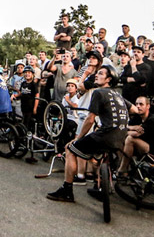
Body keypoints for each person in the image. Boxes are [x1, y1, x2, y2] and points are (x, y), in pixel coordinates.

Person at [46, 66, 128, 203]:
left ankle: (67, 190)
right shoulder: (118, 95)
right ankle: (99, 185)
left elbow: (90, 119)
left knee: (70, 149)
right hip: (120, 137)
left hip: (105, 135)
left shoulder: (99, 92)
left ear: (108, 79)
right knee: (98, 156)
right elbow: (135, 110)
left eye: (101, 74)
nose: (97, 75)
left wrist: (78, 138)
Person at [117, 96, 154, 177]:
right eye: (136, 104)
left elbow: (136, 134)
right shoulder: (137, 117)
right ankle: (126, 167)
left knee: (130, 139)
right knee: (120, 139)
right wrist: (132, 128)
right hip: (144, 147)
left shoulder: (153, 120)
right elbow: (126, 127)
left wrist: (126, 130)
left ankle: (123, 170)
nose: (138, 106)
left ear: (148, 106)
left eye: (141, 104)